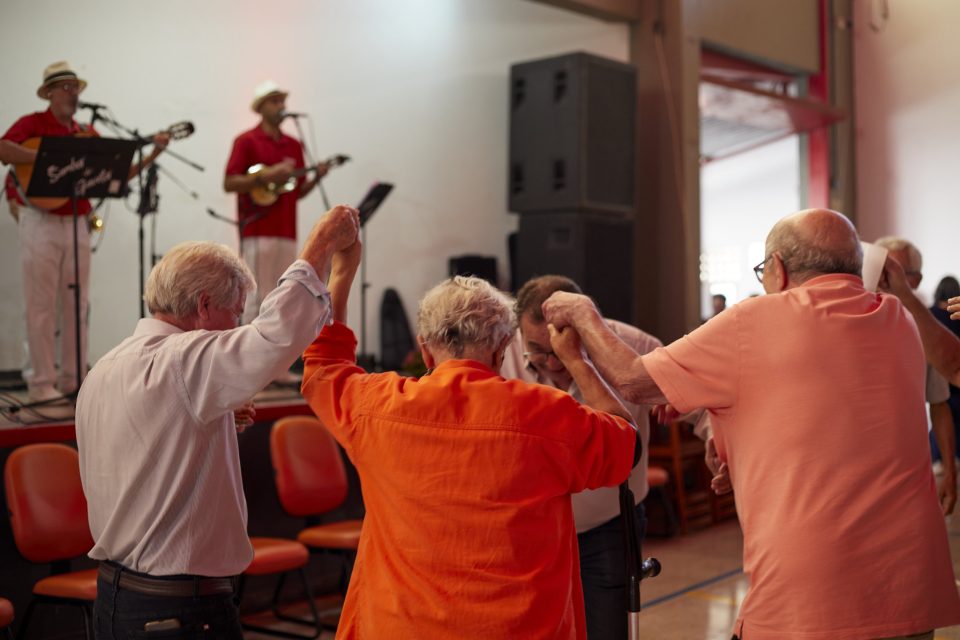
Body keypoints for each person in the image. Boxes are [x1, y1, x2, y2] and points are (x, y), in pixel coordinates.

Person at [544, 209, 960, 639]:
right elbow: (827, 414)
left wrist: (583, 314)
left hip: (815, 596)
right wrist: (729, 444)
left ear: (777, 270)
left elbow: (633, 380)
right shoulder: (900, 322)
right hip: (909, 585)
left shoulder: (754, 320)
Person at [300, 263, 639, 638]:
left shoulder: (377, 407)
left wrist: (343, 272)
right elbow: (627, 444)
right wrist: (577, 360)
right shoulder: (547, 414)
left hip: (400, 626)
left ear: (425, 350)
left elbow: (324, 366)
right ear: (500, 351)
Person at [75, 205, 360, 638]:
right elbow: (277, 332)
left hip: (118, 598)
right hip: (178, 609)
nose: (238, 326)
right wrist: (321, 244)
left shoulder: (104, 369)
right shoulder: (184, 361)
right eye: (237, 314)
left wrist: (206, 418)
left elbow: (147, 449)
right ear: (205, 306)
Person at [500, 274, 661, 640]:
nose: (552, 363)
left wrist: (719, 447)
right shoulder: (501, 349)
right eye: (537, 350)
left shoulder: (632, 345)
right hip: (531, 527)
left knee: (606, 630)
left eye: (561, 349)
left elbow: (698, 404)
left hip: (607, 525)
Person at [0, 61, 168, 408]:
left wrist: (153, 152)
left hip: (77, 221)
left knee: (77, 302)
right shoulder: (32, 124)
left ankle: (74, 380)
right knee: (41, 304)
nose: (73, 94)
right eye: (66, 87)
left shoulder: (86, 132)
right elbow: (3, 150)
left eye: (76, 87)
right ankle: (41, 382)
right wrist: (46, 155)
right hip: (39, 219)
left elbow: (116, 174)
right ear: (49, 93)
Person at [224, 79, 328, 325]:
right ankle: (248, 359)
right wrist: (268, 175)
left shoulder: (293, 144)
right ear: (261, 107)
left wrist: (316, 177)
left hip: (287, 230)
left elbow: (297, 192)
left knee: (282, 297)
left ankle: (276, 359)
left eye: (282, 100)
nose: (281, 105)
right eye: (274, 101)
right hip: (257, 228)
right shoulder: (246, 141)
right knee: (255, 296)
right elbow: (229, 182)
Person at [874, 236, 956, 514]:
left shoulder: (925, 332)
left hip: (905, 472)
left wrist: (949, 473)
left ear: (916, 280)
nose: (883, 280)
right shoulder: (844, 323)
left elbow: (939, 401)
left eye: (894, 273)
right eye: (878, 270)